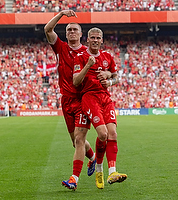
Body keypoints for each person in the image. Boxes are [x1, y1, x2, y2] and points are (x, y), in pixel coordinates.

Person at [44, 10, 97, 190]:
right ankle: (93, 157)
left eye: (74, 29)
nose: (71, 32)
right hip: (66, 101)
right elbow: (47, 29)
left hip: (82, 100)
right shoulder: (60, 47)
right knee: (75, 142)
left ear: (81, 34)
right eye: (68, 30)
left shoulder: (87, 53)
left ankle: (74, 178)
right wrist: (61, 14)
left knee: (80, 140)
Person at [73, 27, 127, 189]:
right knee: (102, 134)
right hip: (89, 97)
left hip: (105, 98)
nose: (95, 40)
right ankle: (98, 168)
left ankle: (112, 172)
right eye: (93, 38)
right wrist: (88, 66)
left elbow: (117, 78)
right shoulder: (80, 57)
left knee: (113, 134)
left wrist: (109, 79)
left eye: (98, 38)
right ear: (87, 40)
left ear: (102, 40)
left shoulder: (107, 57)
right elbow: (76, 81)